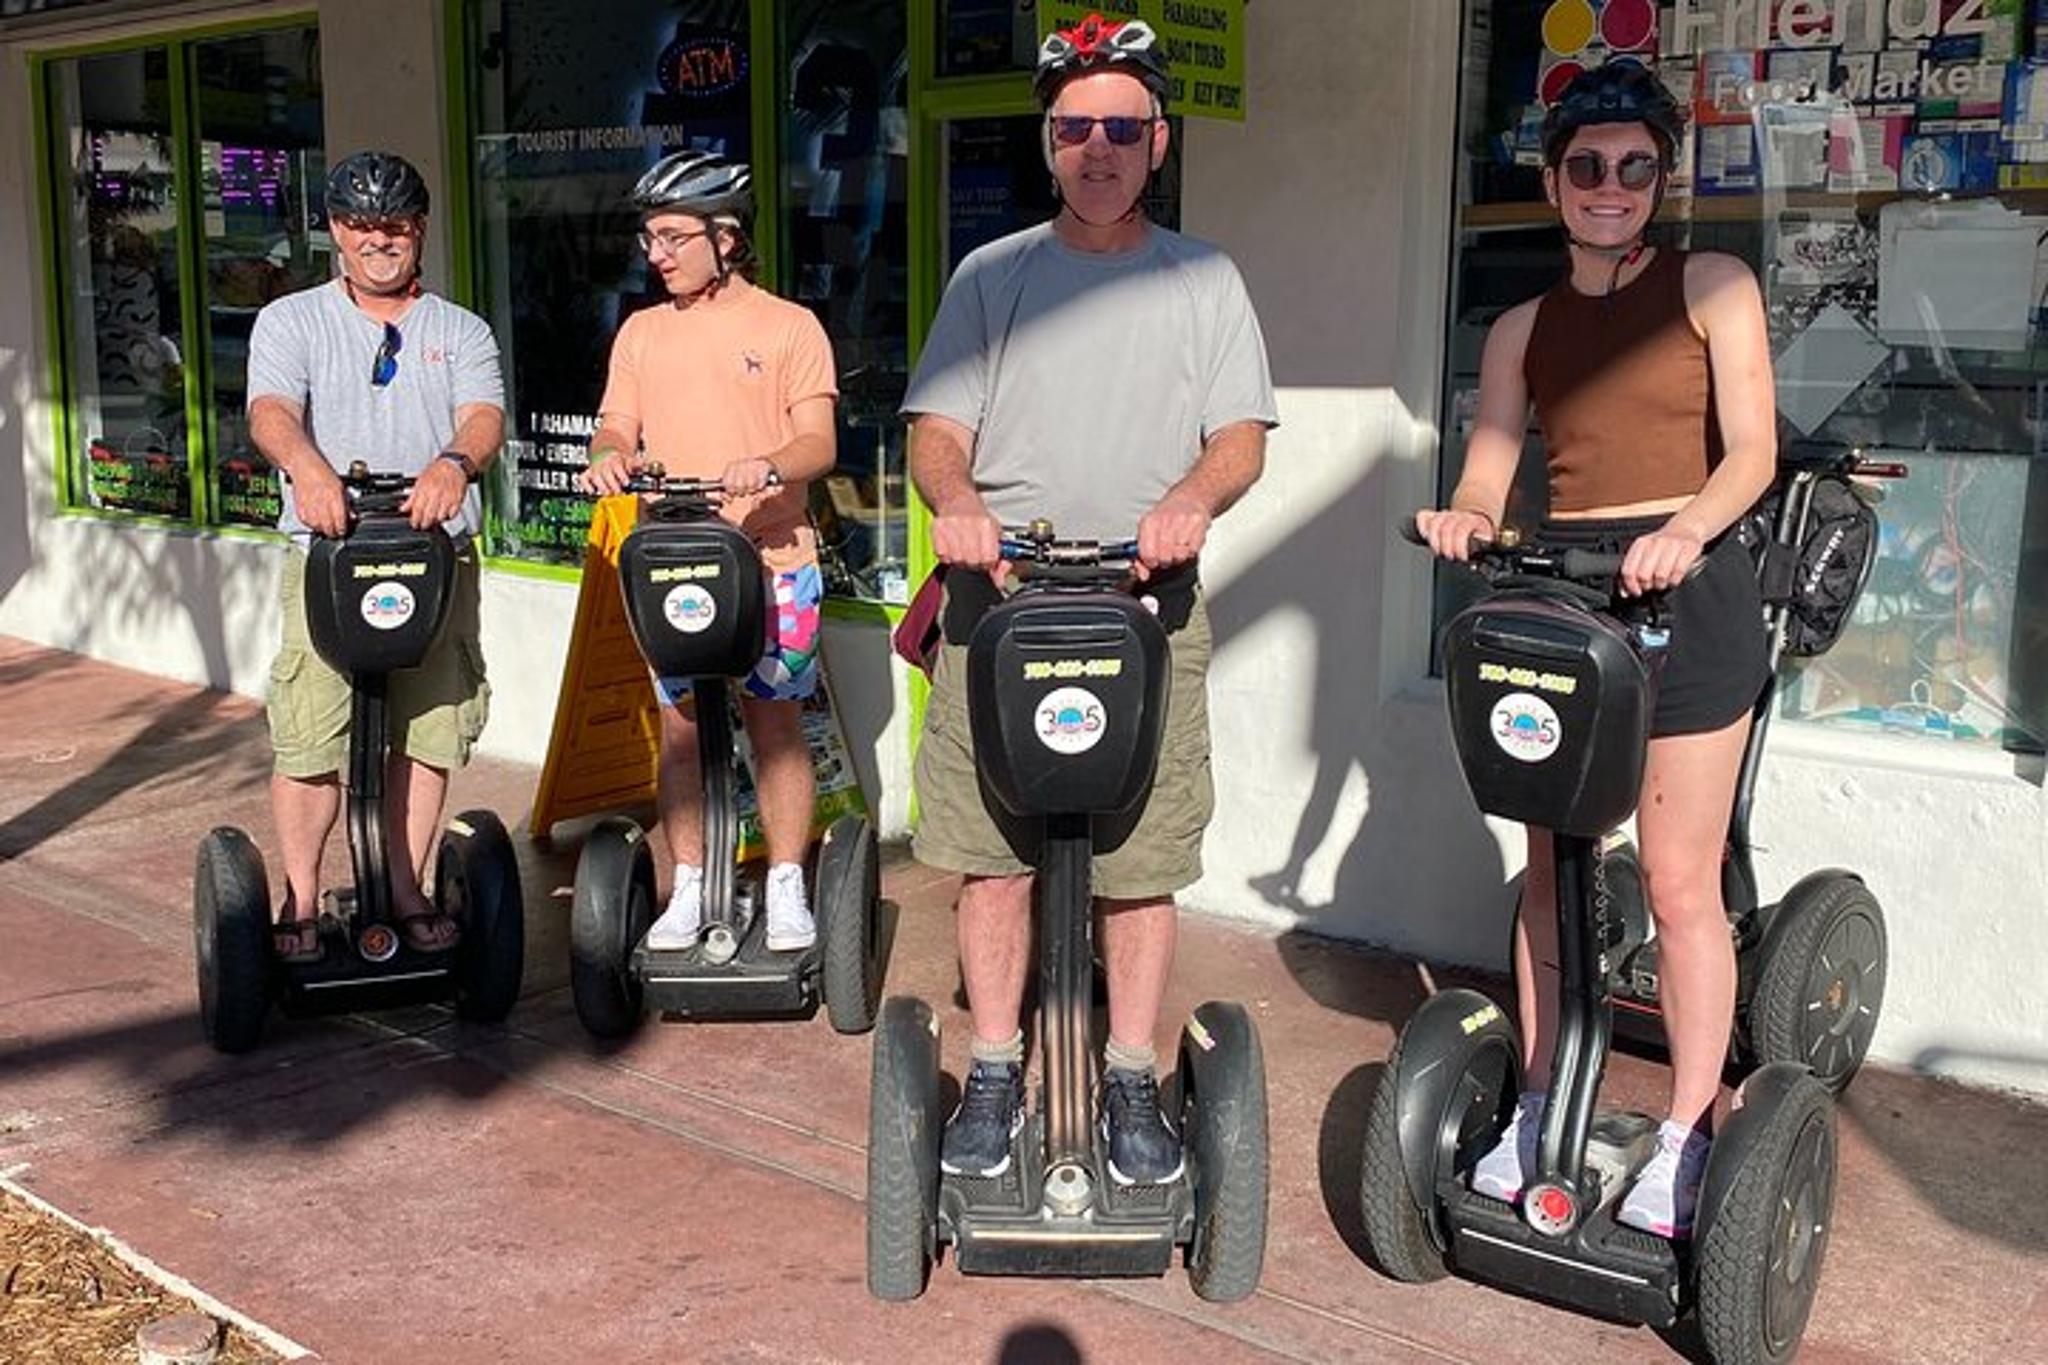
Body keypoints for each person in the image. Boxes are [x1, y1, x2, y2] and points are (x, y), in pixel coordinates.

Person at [902, 14, 1276, 1187]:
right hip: (1002, 601)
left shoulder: (1203, 278)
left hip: (1143, 605)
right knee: (992, 858)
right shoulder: (991, 275)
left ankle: (1126, 1073)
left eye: (1120, 128)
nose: (1097, 149)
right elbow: (935, 432)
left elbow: (1239, 437)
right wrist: (957, 503)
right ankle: (995, 1065)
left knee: (1138, 861)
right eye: (1074, 129)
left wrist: (1190, 499)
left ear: (1157, 141)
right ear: (1048, 143)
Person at [1416, 63, 1778, 1238]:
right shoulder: (1522, 327)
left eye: (1632, 166)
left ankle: (1683, 1131)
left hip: (1690, 594)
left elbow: (1750, 453)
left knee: (1674, 881)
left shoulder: (1711, 285)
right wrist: (1464, 515)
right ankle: (1538, 1104)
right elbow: (1489, 458)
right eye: (1584, 166)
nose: (1607, 185)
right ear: (1552, 182)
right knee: (1553, 876)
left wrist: (1684, 531)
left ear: (1660, 179)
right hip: (1570, 600)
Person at [247, 150, 506, 960]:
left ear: (419, 228)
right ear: (335, 230)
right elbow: (270, 412)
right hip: (328, 556)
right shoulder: (291, 320)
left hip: (433, 557)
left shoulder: (460, 329)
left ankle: (405, 884)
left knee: (429, 728)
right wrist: (308, 469)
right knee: (311, 733)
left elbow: (483, 417)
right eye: (360, 224)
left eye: (393, 224)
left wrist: (453, 465)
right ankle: (298, 896)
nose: (378, 240)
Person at [578, 150, 838, 954]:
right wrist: (608, 455)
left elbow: (818, 441)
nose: (655, 254)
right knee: (683, 727)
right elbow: (616, 423)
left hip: (771, 557)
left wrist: (770, 463)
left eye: (672, 237)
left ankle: (787, 880)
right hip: (676, 563)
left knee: (775, 722)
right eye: (649, 238)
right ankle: (688, 881)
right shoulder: (643, 331)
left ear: (725, 237)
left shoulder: (789, 326)